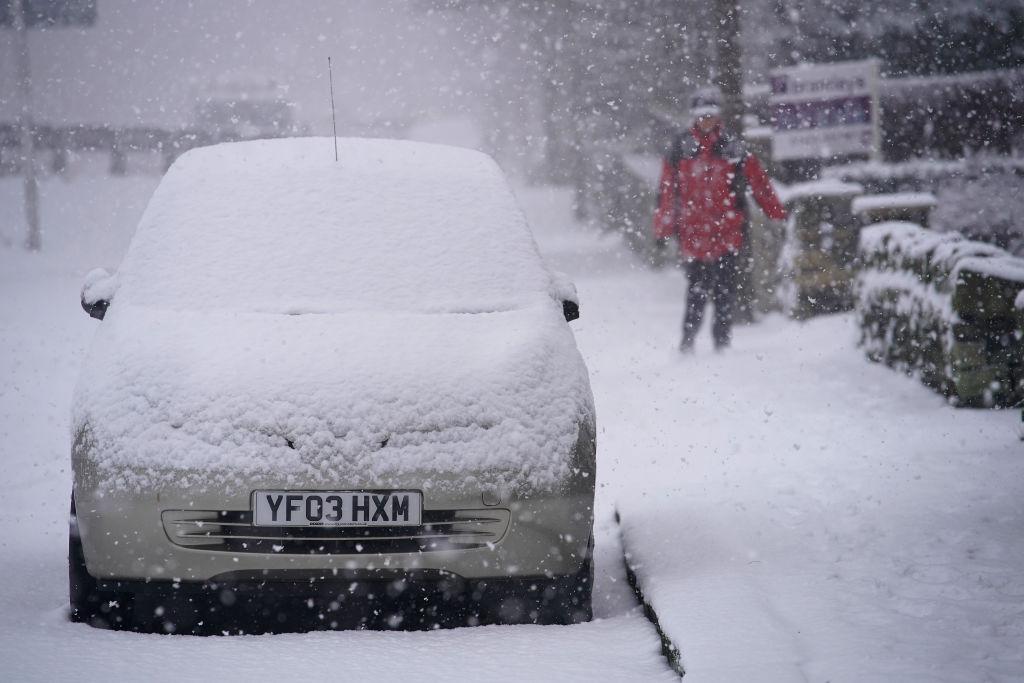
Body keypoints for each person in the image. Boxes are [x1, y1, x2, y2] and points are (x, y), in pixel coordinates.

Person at [653, 104, 787, 352]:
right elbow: (668, 192)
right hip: (693, 236)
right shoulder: (681, 149)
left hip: (727, 233)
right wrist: (662, 228)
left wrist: (777, 213)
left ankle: (721, 343)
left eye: (711, 115)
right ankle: (688, 341)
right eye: (702, 116)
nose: (707, 120)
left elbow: (759, 183)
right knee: (696, 291)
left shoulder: (732, 148)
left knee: (724, 290)